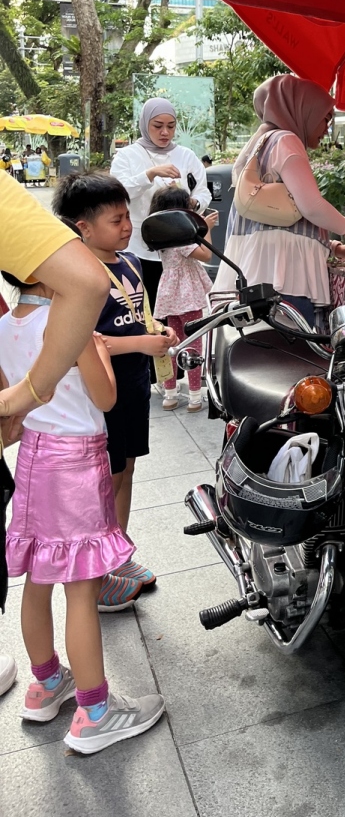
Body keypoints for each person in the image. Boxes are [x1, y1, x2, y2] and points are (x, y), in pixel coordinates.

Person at [0, 259, 166, 752]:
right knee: (80, 587)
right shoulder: (70, 326)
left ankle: (46, 684)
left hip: (33, 456)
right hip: (77, 463)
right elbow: (106, 398)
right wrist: (94, 349)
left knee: (38, 579)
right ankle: (95, 712)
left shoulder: (5, 327)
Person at [54, 172, 176, 610]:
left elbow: (138, 316)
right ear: (83, 227)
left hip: (134, 382)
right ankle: (97, 572)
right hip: (100, 390)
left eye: (127, 216)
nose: (127, 226)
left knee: (126, 470)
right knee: (107, 476)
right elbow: (85, 342)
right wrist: (142, 343)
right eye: (116, 220)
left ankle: (117, 552)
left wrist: (156, 332)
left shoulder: (130, 262)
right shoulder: (80, 275)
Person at [214, 75, 345, 331]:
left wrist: (335, 247)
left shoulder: (261, 143)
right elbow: (312, 206)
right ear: (303, 110)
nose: (327, 129)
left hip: (260, 276)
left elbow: (278, 222)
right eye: (325, 118)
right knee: (292, 351)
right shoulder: (286, 140)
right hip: (284, 279)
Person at [110, 98, 211, 313]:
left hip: (180, 249)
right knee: (142, 306)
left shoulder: (186, 155)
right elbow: (118, 194)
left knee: (178, 311)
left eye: (171, 126)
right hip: (139, 246)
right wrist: (150, 174)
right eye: (157, 126)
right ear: (145, 124)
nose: (165, 132)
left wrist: (194, 202)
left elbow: (203, 192)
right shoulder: (127, 156)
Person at [149, 188, 215, 412]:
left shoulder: (162, 238)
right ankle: (195, 396)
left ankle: (170, 395)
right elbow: (207, 255)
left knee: (173, 344)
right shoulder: (181, 240)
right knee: (193, 345)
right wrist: (207, 229)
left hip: (169, 295)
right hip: (187, 296)